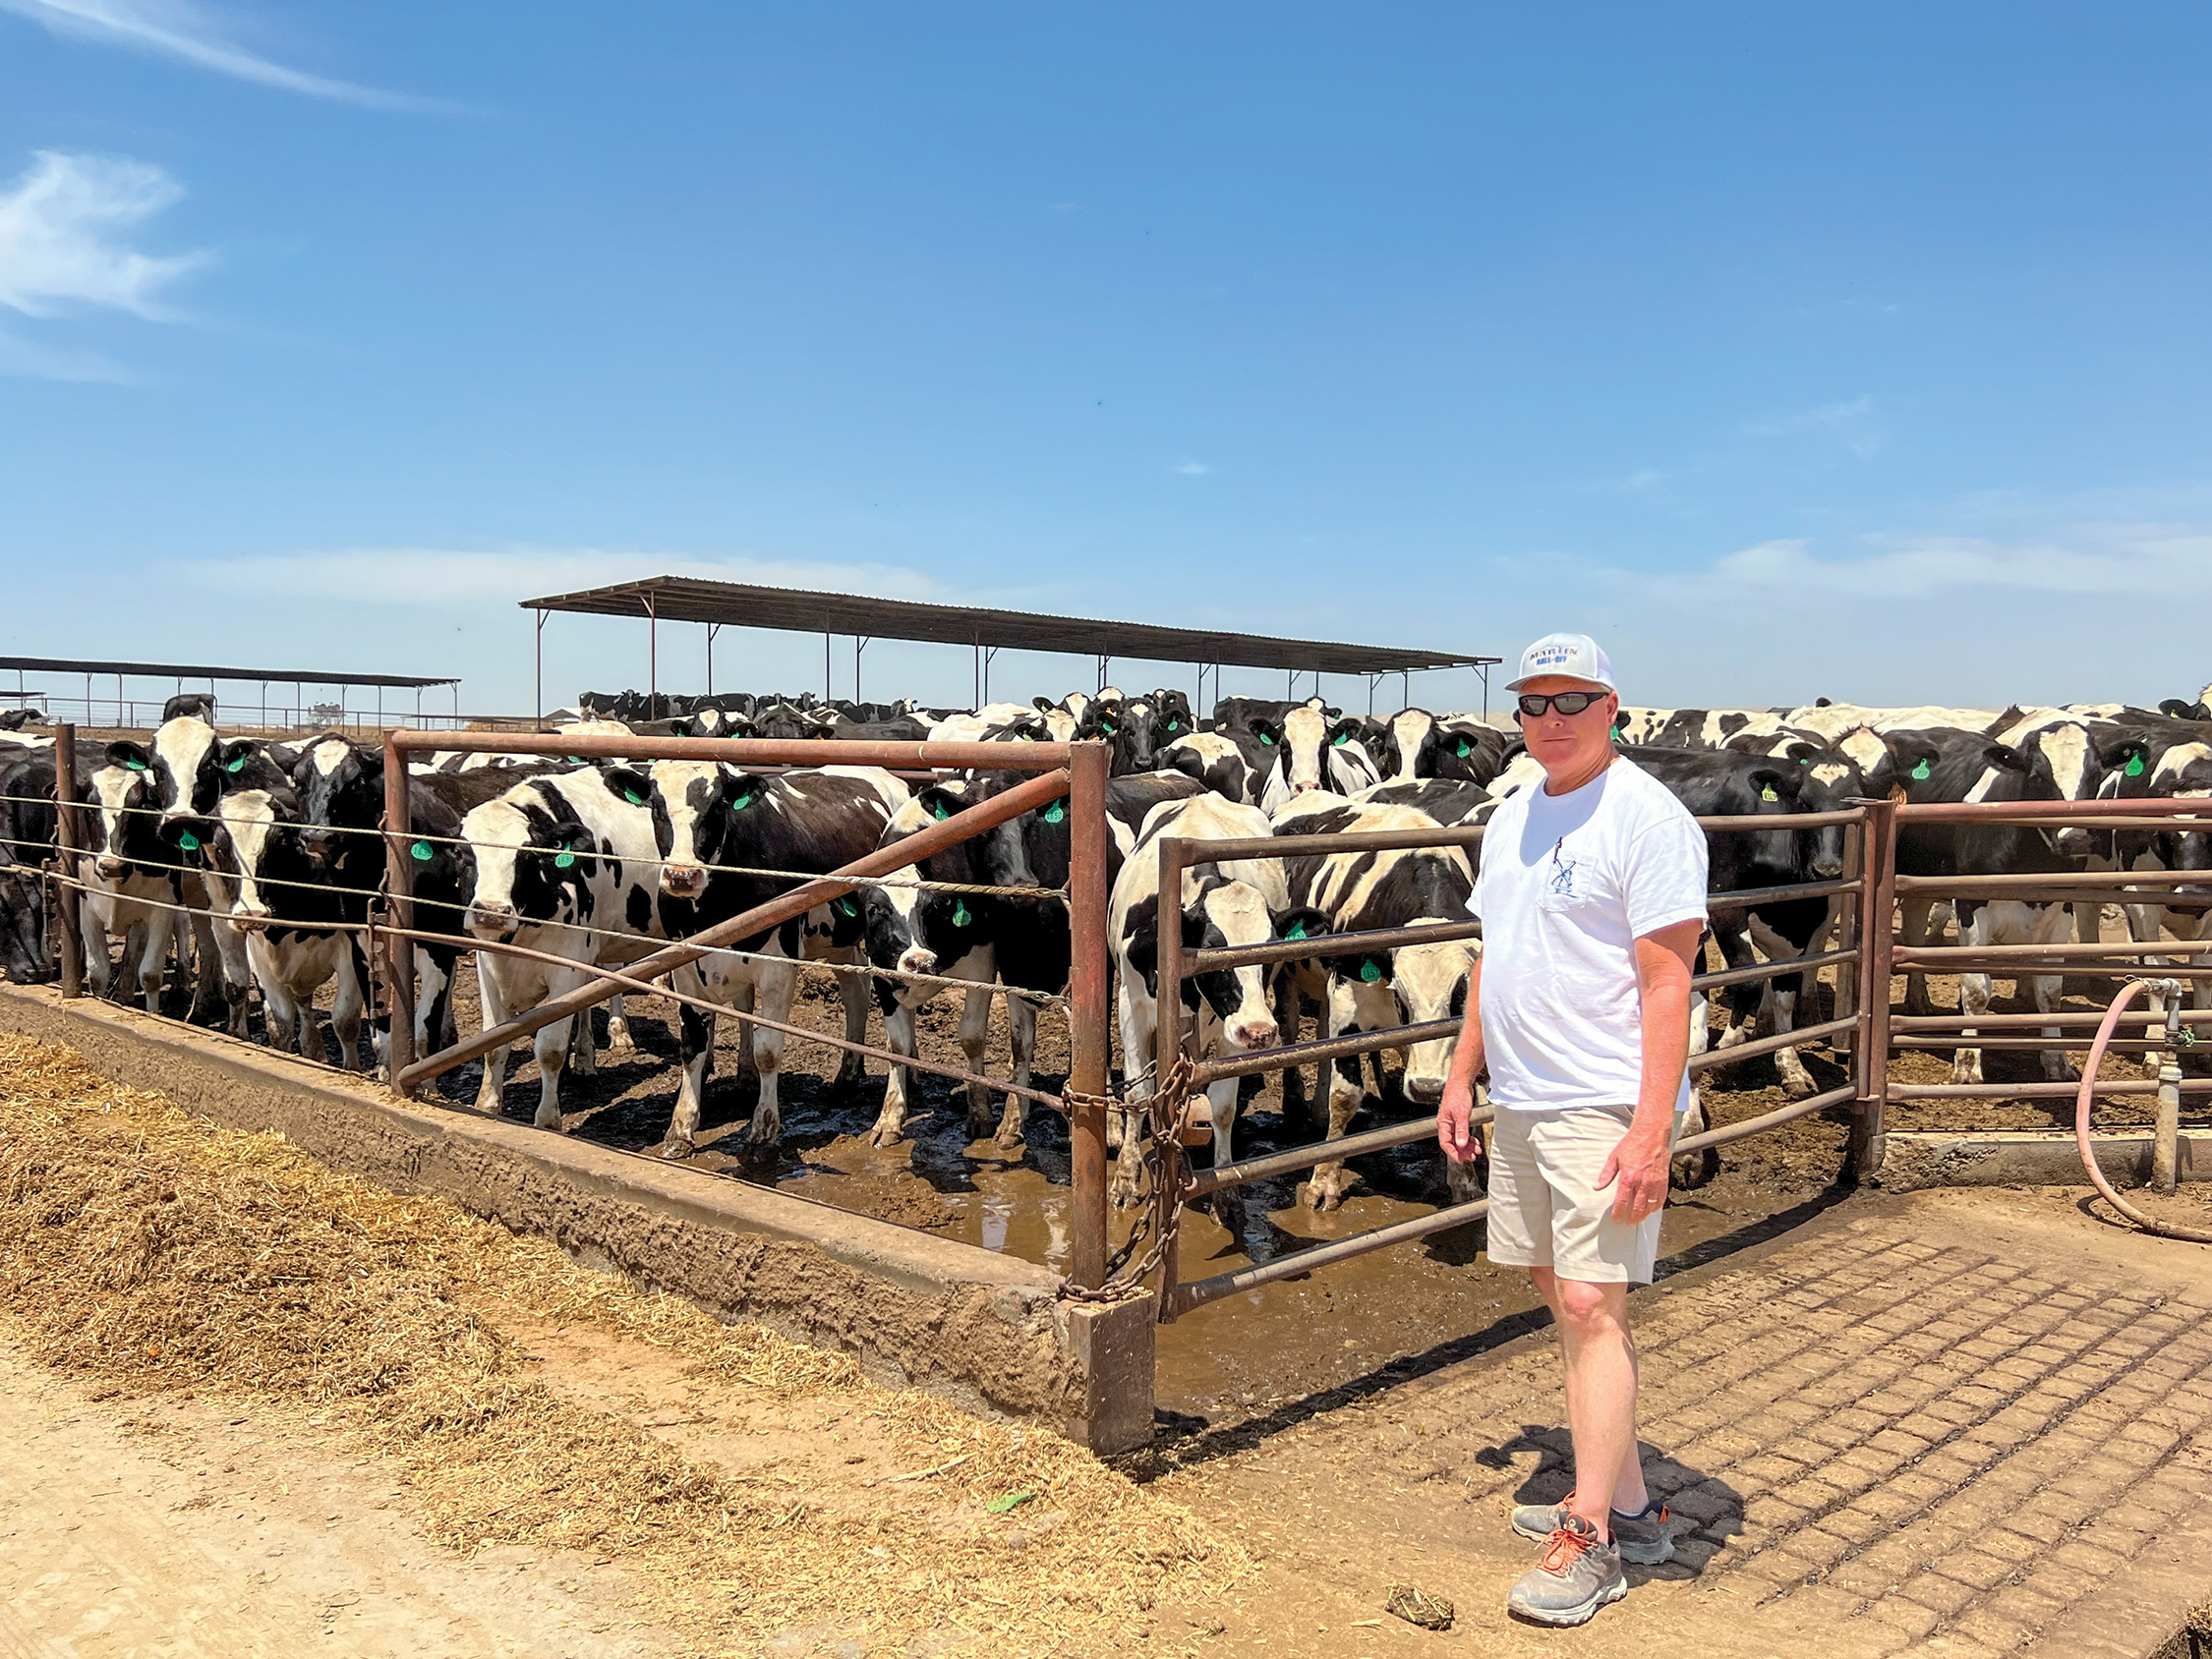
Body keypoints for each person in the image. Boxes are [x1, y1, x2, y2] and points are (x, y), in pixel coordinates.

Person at [1436, 632, 1708, 1628]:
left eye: (1571, 700)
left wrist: (1652, 1126)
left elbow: (1667, 980)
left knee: (1593, 1298)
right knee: (1560, 1288)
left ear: (1612, 705)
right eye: (1533, 703)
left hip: (1602, 1096)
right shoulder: (1509, 814)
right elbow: (1490, 957)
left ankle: (1589, 1535)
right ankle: (1631, 1499)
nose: (1550, 720)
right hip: (1525, 1094)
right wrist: (1463, 1075)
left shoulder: (1650, 819)